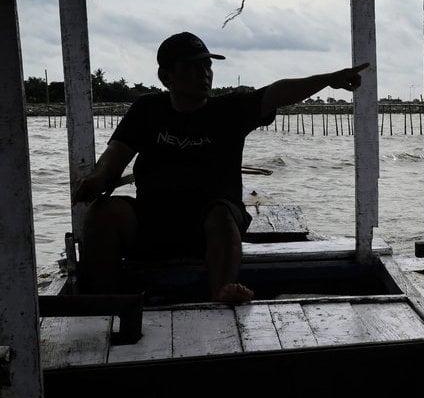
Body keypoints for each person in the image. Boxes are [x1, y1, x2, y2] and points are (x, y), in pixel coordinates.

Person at [71, 31, 370, 303]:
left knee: (222, 214)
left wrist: (329, 78)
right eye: (192, 67)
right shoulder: (147, 109)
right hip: (154, 221)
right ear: (166, 77)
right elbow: (116, 153)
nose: (204, 74)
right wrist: (98, 178)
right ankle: (106, 301)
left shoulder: (229, 110)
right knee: (103, 213)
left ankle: (223, 291)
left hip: (209, 226)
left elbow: (278, 92)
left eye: (207, 66)